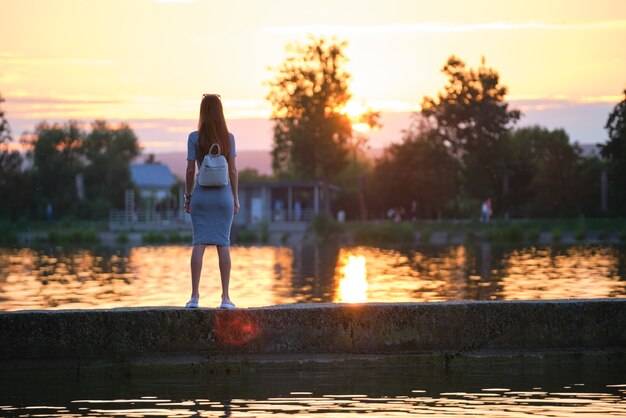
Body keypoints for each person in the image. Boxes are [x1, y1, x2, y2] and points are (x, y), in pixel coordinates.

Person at [184, 94, 239, 309]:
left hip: (201, 197)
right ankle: (225, 298)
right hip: (223, 197)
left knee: (199, 243)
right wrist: (235, 198)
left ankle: (194, 297)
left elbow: (190, 171)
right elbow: (233, 170)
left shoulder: (194, 138)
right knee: (223, 245)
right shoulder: (229, 138)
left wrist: (188, 197)